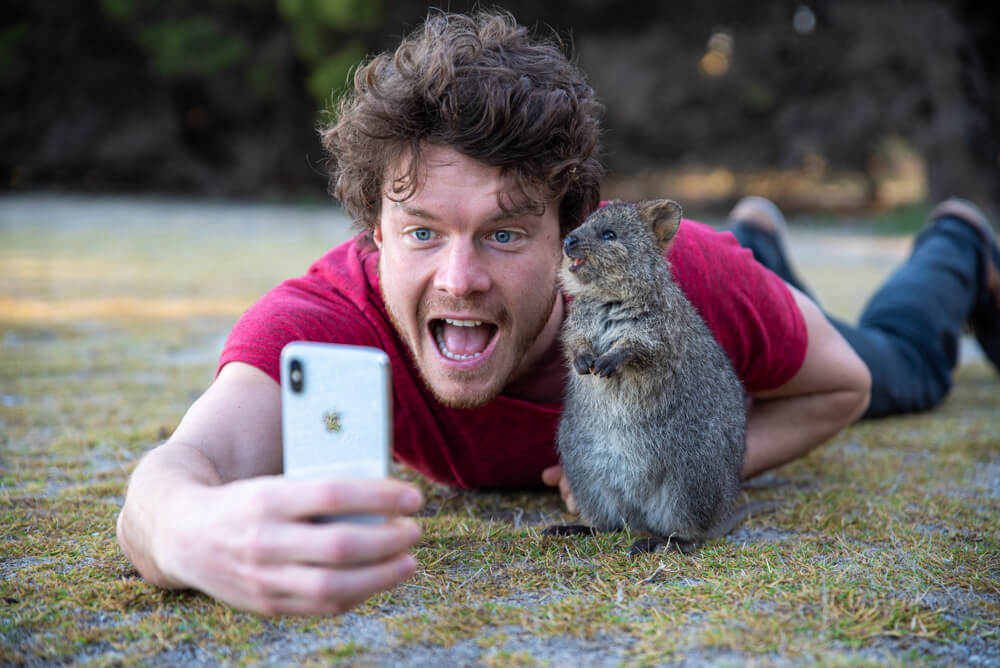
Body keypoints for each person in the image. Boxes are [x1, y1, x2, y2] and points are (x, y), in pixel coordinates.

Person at [116, 10, 998, 616]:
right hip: (725, 283)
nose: (458, 279)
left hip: (725, 319)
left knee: (901, 369)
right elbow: (173, 478)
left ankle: (958, 244)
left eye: (504, 235)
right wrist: (195, 535)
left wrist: (689, 458)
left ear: (569, 231)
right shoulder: (333, 317)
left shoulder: (681, 279)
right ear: (373, 234)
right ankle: (766, 232)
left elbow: (838, 392)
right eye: (422, 231)